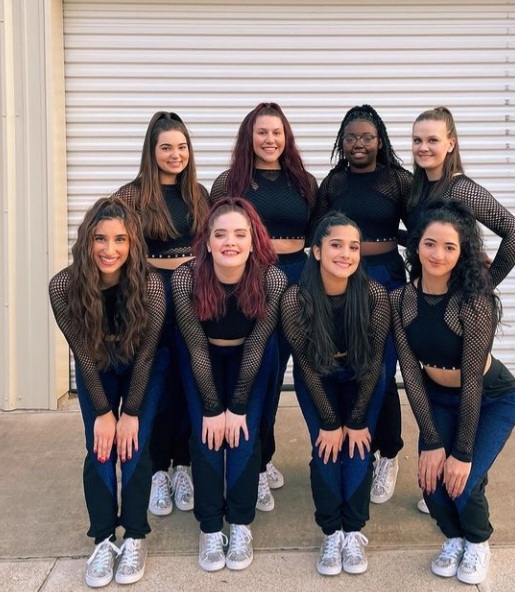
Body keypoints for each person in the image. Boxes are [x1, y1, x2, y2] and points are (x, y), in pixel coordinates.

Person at [390, 199, 515, 585]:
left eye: (450, 247)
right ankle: (454, 538)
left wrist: (461, 454)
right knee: (431, 484)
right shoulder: (400, 299)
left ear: (461, 252)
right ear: (417, 245)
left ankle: (478, 541)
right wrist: (431, 441)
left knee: (461, 482)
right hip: (438, 398)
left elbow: (472, 383)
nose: (438, 254)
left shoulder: (473, 301)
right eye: (430, 243)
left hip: (491, 398)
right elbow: (411, 374)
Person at [49, 197, 167, 587]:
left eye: (120, 239)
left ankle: (134, 536)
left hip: (142, 367)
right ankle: (102, 539)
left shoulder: (151, 283)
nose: (110, 249)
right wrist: (103, 412)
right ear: (87, 241)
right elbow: (81, 354)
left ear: (132, 243)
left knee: (133, 445)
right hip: (97, 366)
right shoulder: (64, 286)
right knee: (99, 447)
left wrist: (129, 413)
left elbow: (148, 354)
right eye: (100, 239)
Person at [210, 102, 318, 512]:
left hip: (299, 279)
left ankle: (264, 455)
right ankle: (254, 466)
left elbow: (320, 234)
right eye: (261, 133)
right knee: (262, 377)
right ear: (249, 137)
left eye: (276, 132)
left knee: (297, 371)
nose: (270, 140)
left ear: (286, 136)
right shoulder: (230, 182)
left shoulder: (304, 181)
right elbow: (215, 238)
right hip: (255, 281)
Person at [171, 197, 287, 572]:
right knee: (207, 438)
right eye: (220, 235)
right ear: (207, 242)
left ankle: (239, 524)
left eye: (240, 234)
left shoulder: (272, 278)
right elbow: (193, 343)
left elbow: (257, 342)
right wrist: (211, 408)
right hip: (202, 356)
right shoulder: (185, 277)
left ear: (254, 240)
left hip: (249, 359)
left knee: (243, 437)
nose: (230, 242)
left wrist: (235, 407)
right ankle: (209, 528)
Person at [112, 111, 210, 518]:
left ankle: (183, 467)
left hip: (192, 297)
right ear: (152, 151)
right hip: (150, 300)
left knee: (187, 384)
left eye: (182, 146)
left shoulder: (198, 193)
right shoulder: (131, 196)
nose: (175, 154)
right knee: (153, 384)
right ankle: (155, 472)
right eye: (166, 147)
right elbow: (118, 254)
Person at [281, 213, 390, 576]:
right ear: (316, 251)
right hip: (318, 376)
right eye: (336, 245)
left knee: (358, 447)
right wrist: (330, 422)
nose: (346, 254)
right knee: (326, 448)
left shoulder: (373, 293)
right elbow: (305, 365)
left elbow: (375, 361)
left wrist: (356, 420)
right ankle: (331, 531)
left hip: (362, 375)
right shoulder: (296, 298)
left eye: (354, 247)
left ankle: (354, 531)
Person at [316, 104, 412, 506]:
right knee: (352, 368)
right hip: (343, 281)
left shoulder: (398, 181)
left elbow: (421, 227)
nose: (359, 144)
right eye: (351, 137)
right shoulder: (335, 183)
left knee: (383, 370)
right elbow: (318, 233)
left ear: (380, 140)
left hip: (386, 278)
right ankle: (358, 444)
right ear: (343, 141)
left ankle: (386, 453)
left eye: (366, 137)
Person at [405, 106, 515, 287]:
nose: (423, 148)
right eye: (417, 140)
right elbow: (419, 238)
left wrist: (487, 284)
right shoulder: (419, 189)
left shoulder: (461, 189)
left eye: (432, 140)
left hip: (458, 297)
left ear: (450, 144)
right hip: (427, 292)